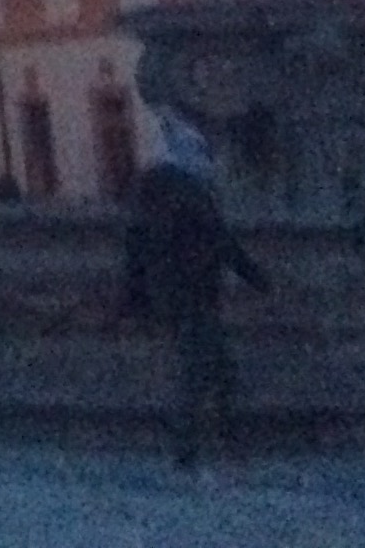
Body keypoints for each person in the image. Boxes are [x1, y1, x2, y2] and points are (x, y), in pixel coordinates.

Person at [123, 107, 267, 466]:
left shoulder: (150, 194)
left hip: (169, 294)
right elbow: (220, 241)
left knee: (212, 366)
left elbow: (135, 252)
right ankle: (197, 445)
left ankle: (219, 438)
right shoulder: (190, 194)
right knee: (204, 368)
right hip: (196, 292)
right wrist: (256, 276)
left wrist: (136, 298)